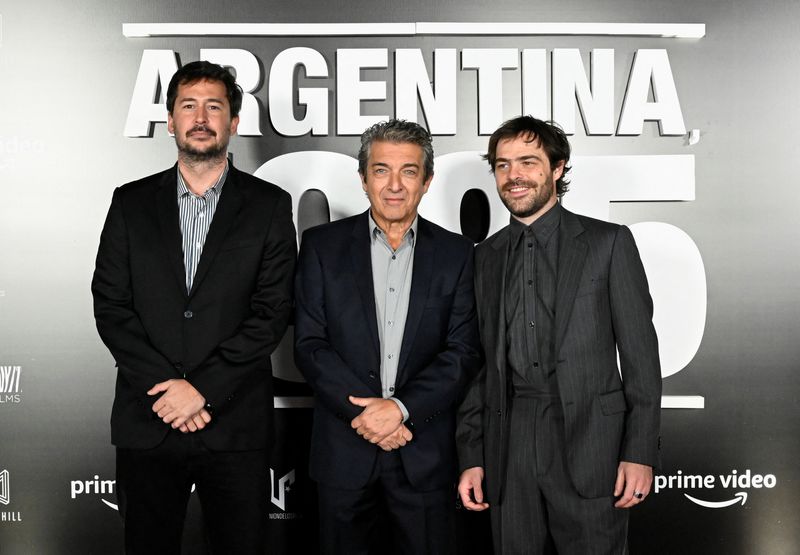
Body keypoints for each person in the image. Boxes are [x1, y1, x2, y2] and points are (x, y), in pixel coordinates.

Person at [92, 60, 296, 554]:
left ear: (234, 123)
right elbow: (111, 307)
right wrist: (169, 392)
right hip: (149, 419)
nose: (201, 117)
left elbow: (271, 311)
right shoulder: (130, 203)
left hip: (234, 425)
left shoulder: (269, 204)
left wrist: (201, 390)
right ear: (169, 121)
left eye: (214, 106)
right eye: (189, 106)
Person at [456, 116, 662, 554]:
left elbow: (642, 359)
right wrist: (471, 456)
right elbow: (478, 367)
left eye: (528, 162)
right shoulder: (484, 258)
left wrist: (639, 451)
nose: (514, 176)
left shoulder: (608, 243)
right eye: (503, 165)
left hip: (594, 441)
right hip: (508, 441)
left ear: (557, 168)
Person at [294, 119, 482, 554]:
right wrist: (368, 415)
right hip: (344, 452)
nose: (394, 185)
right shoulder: (322, 247)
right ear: (363, 178)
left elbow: (462, 351)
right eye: (381, 170)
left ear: (427, 180)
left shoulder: (458, 255)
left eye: (409, 171)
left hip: (423, 454)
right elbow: (310, 344)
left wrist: (400, 409)